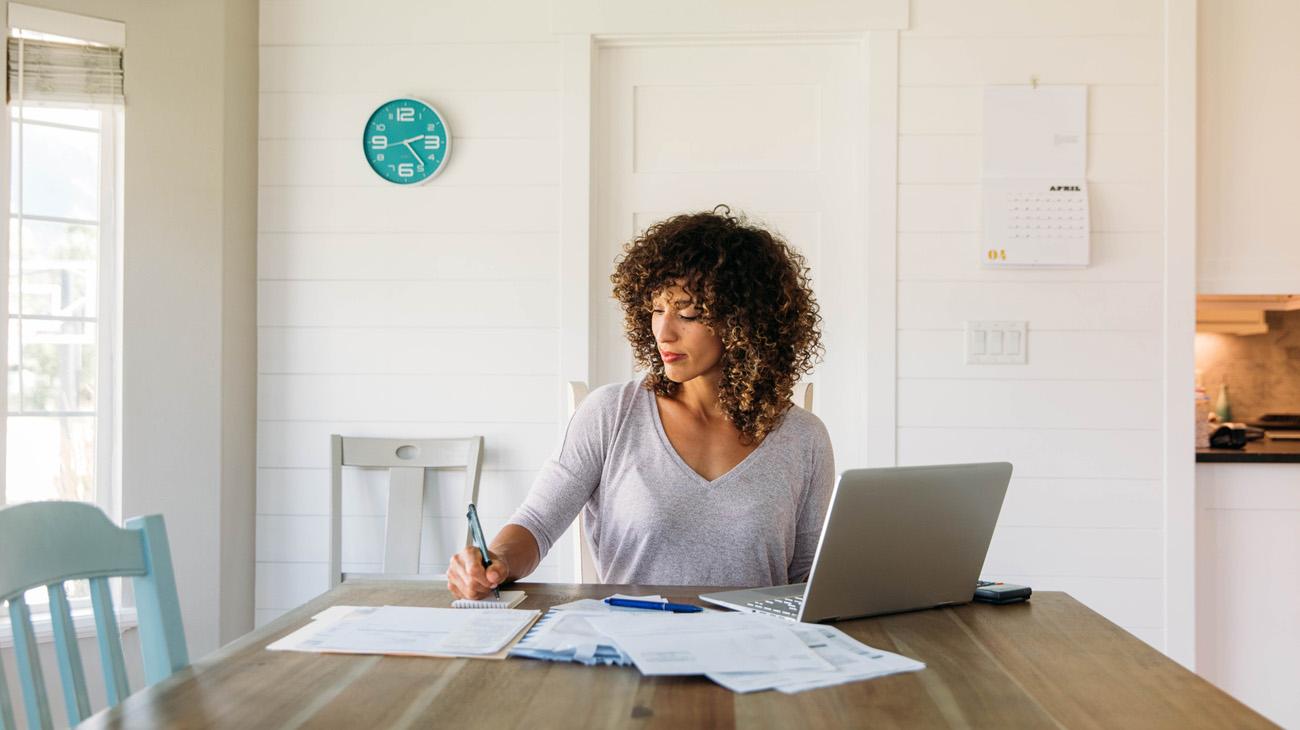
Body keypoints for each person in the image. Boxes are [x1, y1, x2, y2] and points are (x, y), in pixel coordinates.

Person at [447, 206, 834, 599]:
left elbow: (808, 579)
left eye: (689, 313)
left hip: (757, 649)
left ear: (745, 322)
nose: (663, 332)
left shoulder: (803, 437)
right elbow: (536, 524)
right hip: (631, 645)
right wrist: (494, 561)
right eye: (656, 310)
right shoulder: (611, 413)